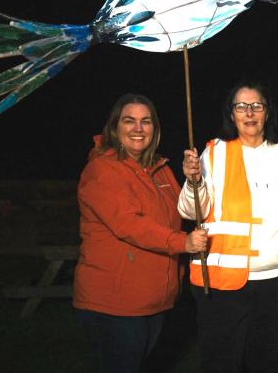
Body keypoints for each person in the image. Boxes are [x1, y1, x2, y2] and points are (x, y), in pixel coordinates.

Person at [179, 80, 278, 373]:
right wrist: (194, 181)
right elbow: (191, 211)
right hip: (222, 286)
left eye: (257, 105)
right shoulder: (214, 154)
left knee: (268, 361)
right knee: (221, 362)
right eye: (241, 106)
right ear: (231, 115)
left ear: (268, 113)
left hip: (277, 282)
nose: (249, 112)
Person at [74, 93, 208, 373]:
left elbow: (184, 211)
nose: (138, 128)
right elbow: (130, 225)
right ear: (114, 127)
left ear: (155, 130)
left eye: (146, 121)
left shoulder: (160, 170)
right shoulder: (102, 170)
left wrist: (192, 180)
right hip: (116, 304)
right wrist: (183, 243)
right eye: (129, 121)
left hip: (155, 300)